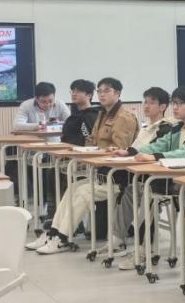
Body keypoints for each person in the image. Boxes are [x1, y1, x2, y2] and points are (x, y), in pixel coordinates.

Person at [29, 77, 140, 254]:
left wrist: (96, 151)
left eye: (106, 91)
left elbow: (120, 151)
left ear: (118, 93)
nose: (101, 95)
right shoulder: (102, 114)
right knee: (73, 188)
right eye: (100, 91)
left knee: (83, 192)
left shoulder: (124, 117)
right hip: (101, 175)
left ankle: (63, 238)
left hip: (118, 179)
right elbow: (91, 140)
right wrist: (83, 151)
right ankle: (53, 233)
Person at [112, 87, 174, 269]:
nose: (146, 106)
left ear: (163, 106)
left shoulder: (166, 127)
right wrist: (126, 152)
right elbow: (136, 149)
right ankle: (117, 239)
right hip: (141, 176)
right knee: (128, 192)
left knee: (147, 195)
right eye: (145, 101)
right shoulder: (145, 127)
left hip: (159, 178)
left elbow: (154, 150)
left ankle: (143, 249)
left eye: (152, 102)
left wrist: (130, 152)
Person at [60, 79, 99, 145]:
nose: (74, 94)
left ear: (89, 95)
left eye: (78, 91)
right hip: (67, 148)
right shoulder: (74, 115)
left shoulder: (91, 115)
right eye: (72, 91)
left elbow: (87, 138)